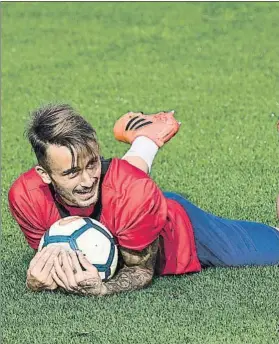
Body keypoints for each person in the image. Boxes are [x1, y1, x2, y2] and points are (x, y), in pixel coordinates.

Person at [8, 104, 279, 297]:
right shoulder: (26, 198)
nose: (88, 179)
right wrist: (41, 277)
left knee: (271, 248)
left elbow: (140, 271)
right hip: (123, 200)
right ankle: (146, 136)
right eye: (71, 172)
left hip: (179, 231)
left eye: (93, 163)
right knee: (109, 190)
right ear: (44, 174)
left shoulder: (134, 193)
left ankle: (146, 139)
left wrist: (104, 287)